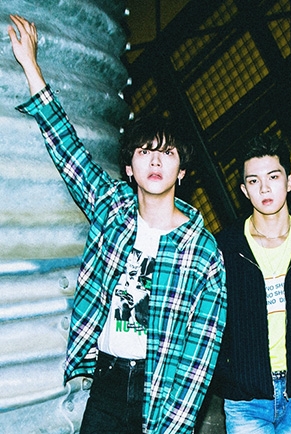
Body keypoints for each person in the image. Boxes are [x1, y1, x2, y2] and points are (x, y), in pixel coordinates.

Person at [9, 15, 227, 433]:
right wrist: (31, 66)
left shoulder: (202, 251)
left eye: (167, 153)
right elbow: (69, 153)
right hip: (107, 381)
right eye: (145, 152)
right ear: (129, 167)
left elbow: (200, 355)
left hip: (157, 394)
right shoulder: (113, 210)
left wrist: (173, 427)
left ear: (182, 171)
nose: (156, 160)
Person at [207, 133, 291, 433]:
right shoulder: (224, 250)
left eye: (273, 177)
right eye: (253, 181)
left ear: (289, 181)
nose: (264, 188)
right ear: (244, 190)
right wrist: (226, 374)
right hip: (245, 398)